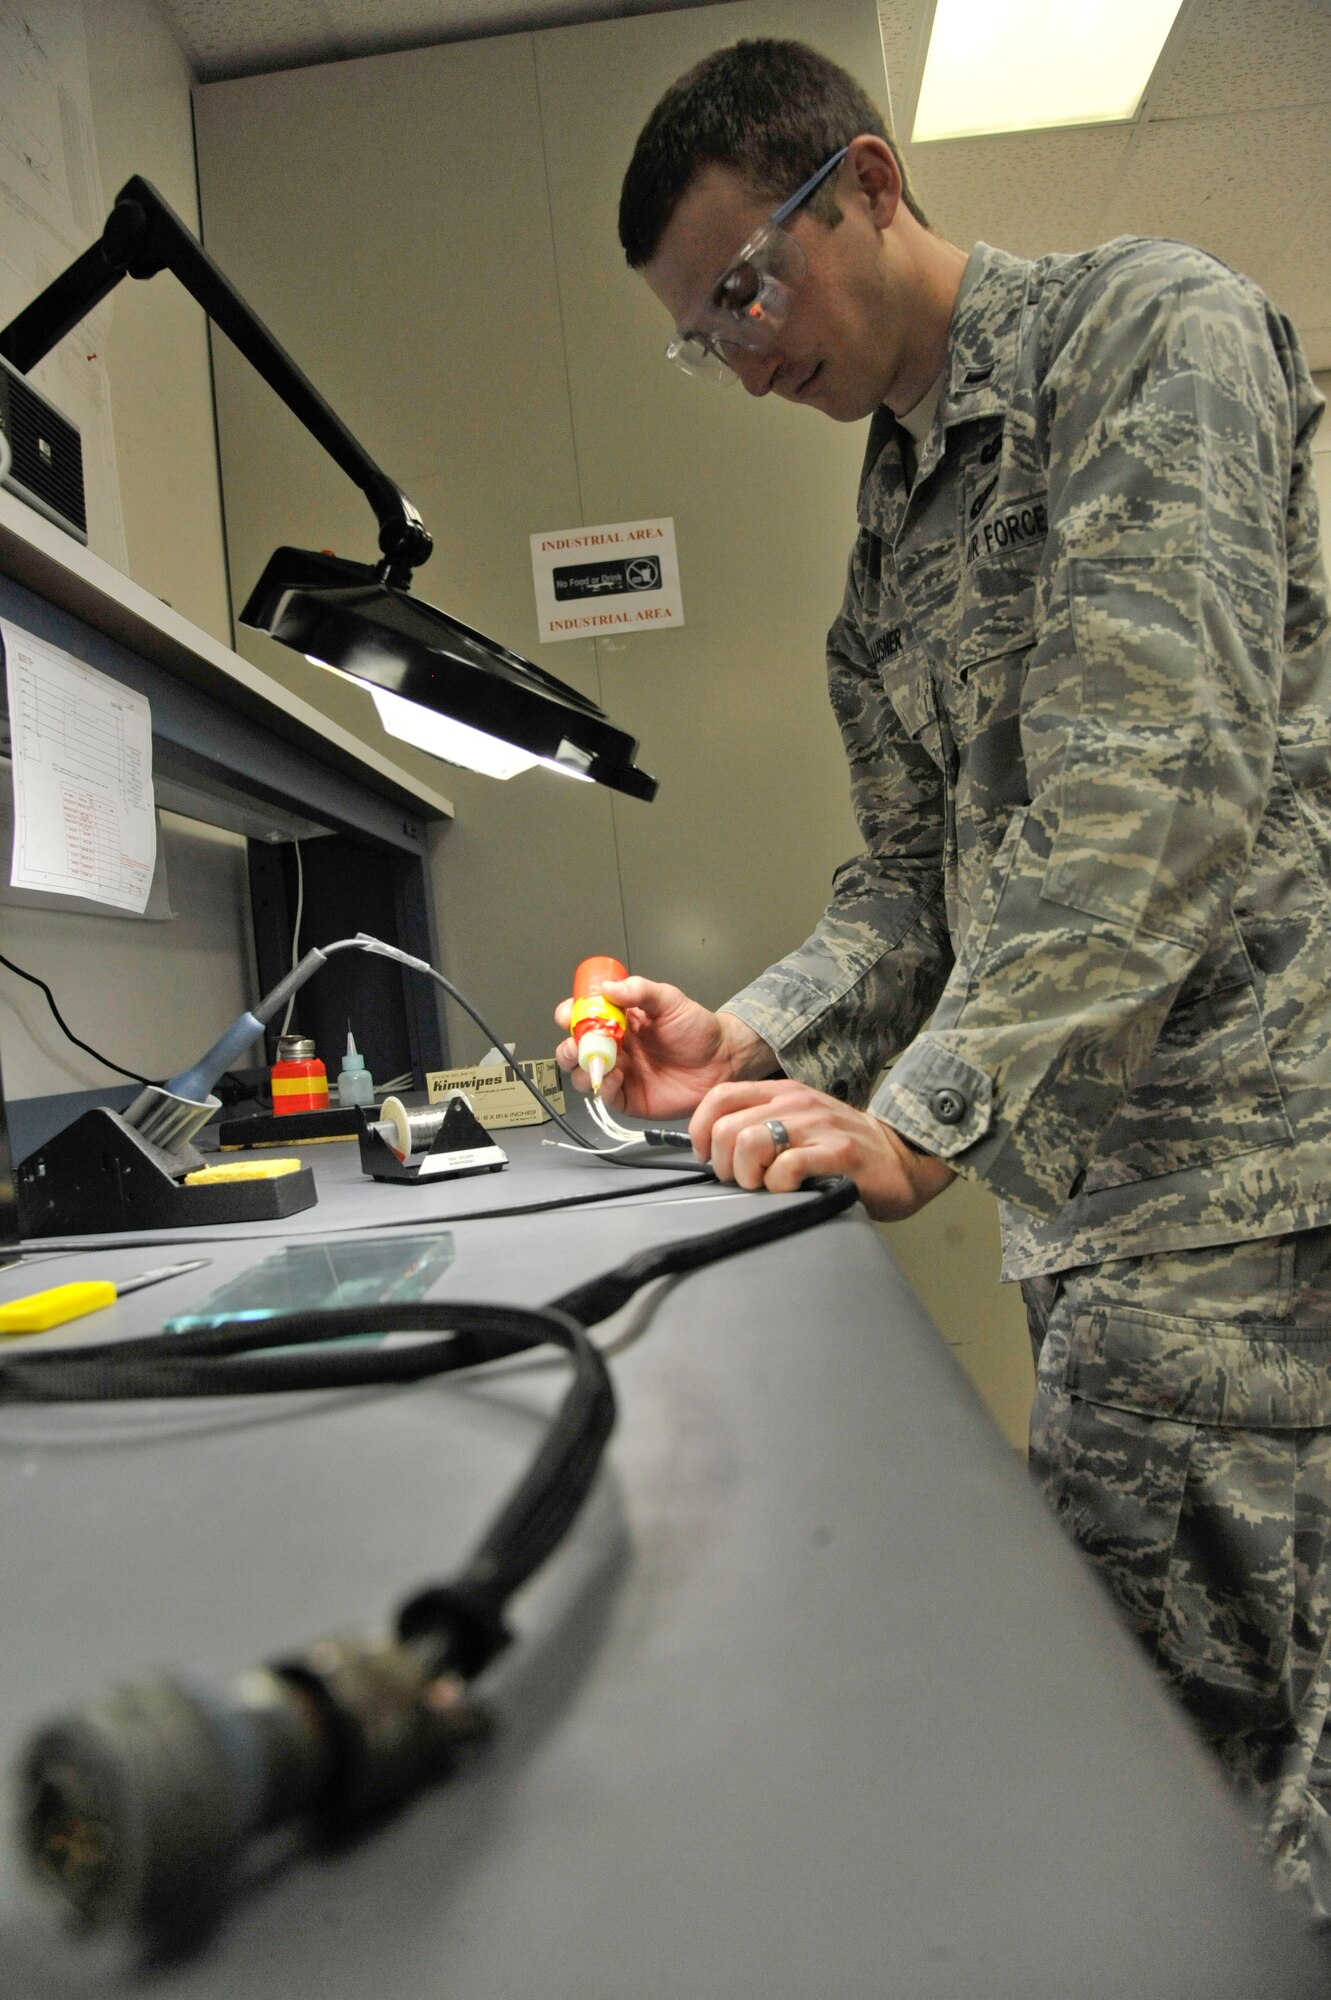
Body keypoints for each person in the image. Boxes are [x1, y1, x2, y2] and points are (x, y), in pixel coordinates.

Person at [553, 37, 1331, 1918]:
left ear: (873, 183)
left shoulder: (1151, 338)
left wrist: (916, 1123)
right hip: (1089, 1222)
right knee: (1168, 1768)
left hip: (1248, 1199)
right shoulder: (887, 538)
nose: (739, 354)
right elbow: (917, 886)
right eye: (699, 333)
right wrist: (748, 1028)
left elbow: (1154, 787)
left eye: (747, 287)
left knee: (1235, 1797)